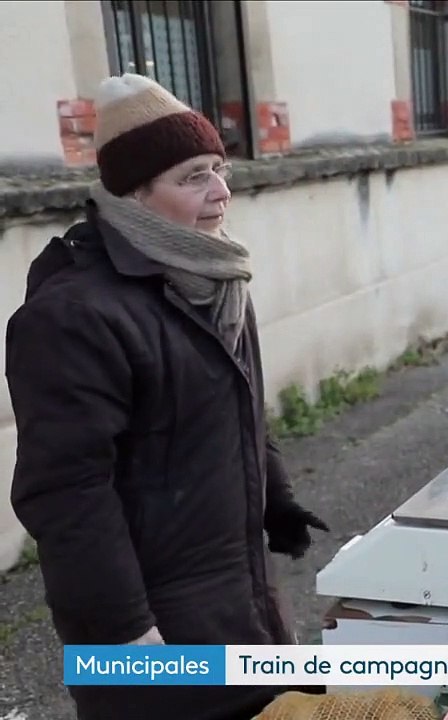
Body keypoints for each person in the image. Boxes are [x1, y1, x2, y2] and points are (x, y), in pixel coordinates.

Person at [5, 74, 329, 720]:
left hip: (243, 607)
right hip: (153, 633)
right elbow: (66, 493)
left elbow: (241, 406)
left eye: (218, 168)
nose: (221, 192)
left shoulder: (216, 277)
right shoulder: (74, 316)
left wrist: (277, 496)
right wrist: (123, 631)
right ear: (133, 193)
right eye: (192, 178)